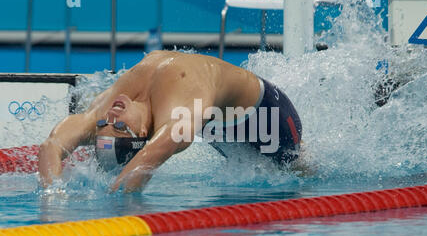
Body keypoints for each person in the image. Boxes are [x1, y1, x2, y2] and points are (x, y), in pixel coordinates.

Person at [38, 50, 302, 192]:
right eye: (117, 127)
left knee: (298, 170)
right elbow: (148, 159)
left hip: (267, 113)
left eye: (103, 124)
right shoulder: (175, 120)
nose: (110, 116)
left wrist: (53, 195)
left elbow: (51, 145)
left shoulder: (112, 104)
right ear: (142, 132)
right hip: (235, 122)